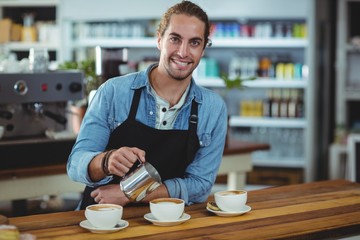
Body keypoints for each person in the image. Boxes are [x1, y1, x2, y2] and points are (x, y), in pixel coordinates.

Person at [67, 0, 227, 209]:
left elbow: (200, 185)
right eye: (175, 39)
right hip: (102, 217)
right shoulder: (114, 92)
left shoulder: (212, 108)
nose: (183, 52)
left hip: (168, 221)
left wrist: (131, 193)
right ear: (159, 39)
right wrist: (106, 161)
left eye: (194, 43)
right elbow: (76, 164)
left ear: (204, 48)